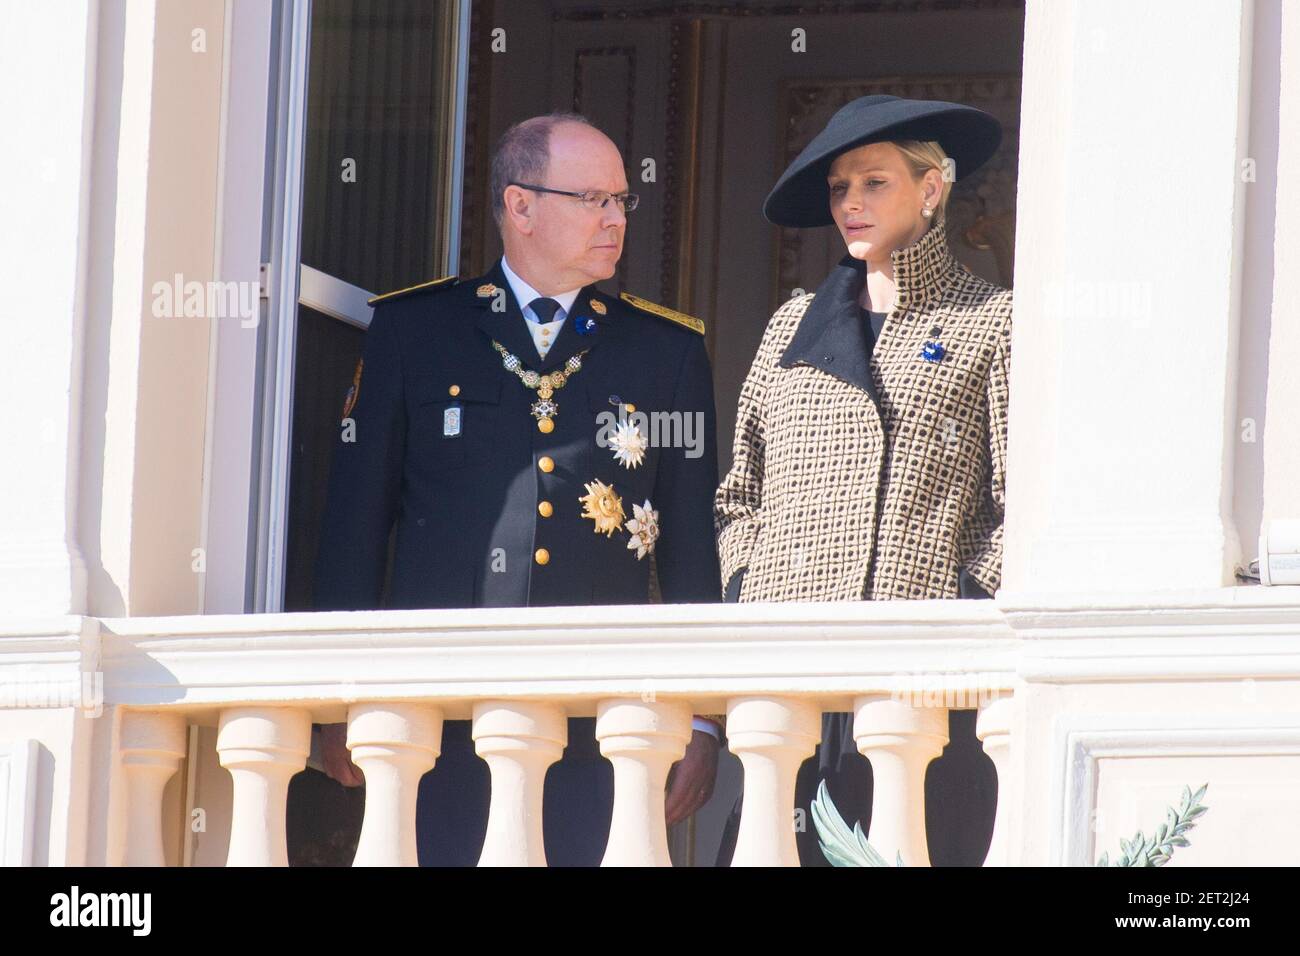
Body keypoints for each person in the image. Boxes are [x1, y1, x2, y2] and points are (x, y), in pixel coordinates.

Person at [312, 112, 723, 866]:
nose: (615, 219)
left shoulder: (666, 353)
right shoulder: (416, 331)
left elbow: (695, 544)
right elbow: (356, 526)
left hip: (599, 720)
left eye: (622, 201)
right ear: (521, 206)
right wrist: (335, 699)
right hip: (436, 714)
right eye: (593, 199)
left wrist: (702, 721)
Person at [713, 95, 1011, 865]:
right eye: (840, 187)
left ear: (932, 187)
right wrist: (751, 585)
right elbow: (738, 496)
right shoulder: (789, 327)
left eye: (874, 182)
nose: (850, 203)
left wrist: (958, 602)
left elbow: (1020, 508)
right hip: (789, 678)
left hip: (920, 686)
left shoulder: (993, 321)